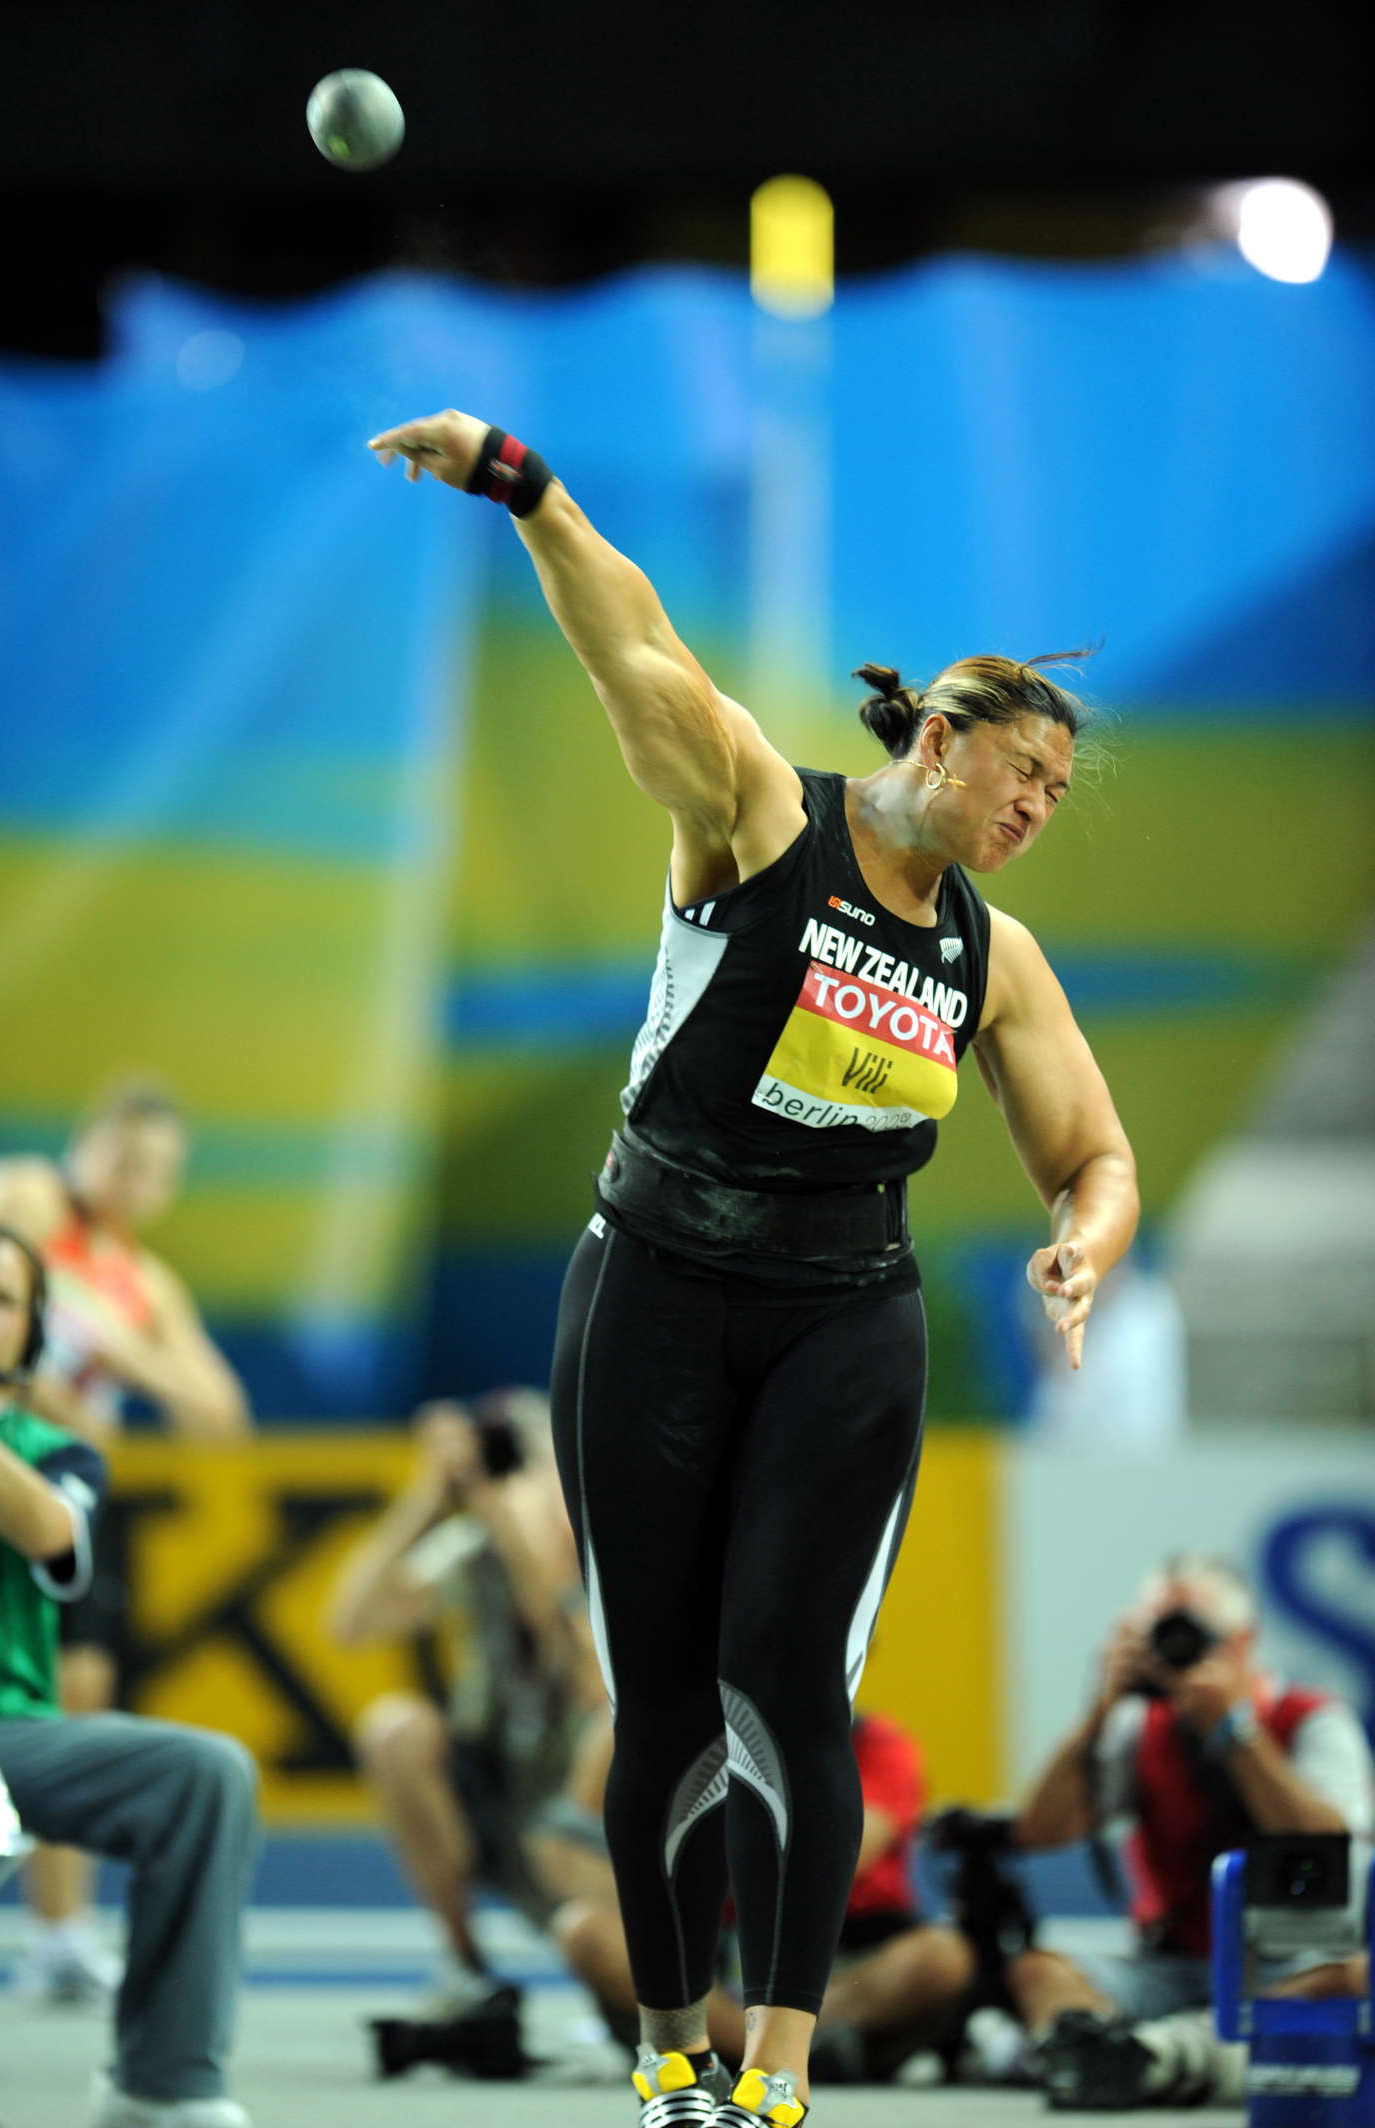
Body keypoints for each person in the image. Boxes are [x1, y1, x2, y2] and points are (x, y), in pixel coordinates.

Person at [368, 408, 1140, 2127]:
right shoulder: (755, 811)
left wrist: (1081, 1247)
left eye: (1057, 796)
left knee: (788, 1684)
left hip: (843, 1318)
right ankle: (672, 2052)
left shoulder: (993, 956)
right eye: (1022, 773)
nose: (1036, 809)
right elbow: (634, 643)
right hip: (651, 1283)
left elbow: (1093, 1154)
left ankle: (777, 2076)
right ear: (939, 736)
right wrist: (525, 487)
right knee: (663, 1700)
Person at [0, 1220, 258, 2128]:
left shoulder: (57, 1451)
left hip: (1, 1744)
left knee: (205, 1773)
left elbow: (48, 1533)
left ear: (32, 1329)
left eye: (3, 1299)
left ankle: (162, 2086)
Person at [1007, 1553, 1375, 2110]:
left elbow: (1326, 1844)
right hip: (1171, 1961)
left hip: (1291, 1960)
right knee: (1041, 1969)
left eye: (1192, 1634)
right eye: (1159, 1635)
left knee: (1348, 1980)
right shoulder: (1140, 1727)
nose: (1174, 1652)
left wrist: (1235, 1731)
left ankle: (1156, 2058)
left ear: (1244, 1642)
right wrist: (1099, 1713)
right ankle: (1106, 2053)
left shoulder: (1314, 1719)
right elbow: (1042, 1832)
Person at [327, 1390, 609, 2068]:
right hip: (504, 1799)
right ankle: (468, 1968)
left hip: (596, 1827)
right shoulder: (475, 1549)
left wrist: (525, 1542)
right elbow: (352, 1623)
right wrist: (426, 1500)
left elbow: (585, 1678)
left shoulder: (613, 1548)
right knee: (394, 1728)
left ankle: (635, 1987)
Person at [551, 1709, 978, 2082]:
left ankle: (771, 2048)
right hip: (709, 1952)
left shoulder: (876, 1743)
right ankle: (772, 2054)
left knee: (942, 1956)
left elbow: (842, 1855)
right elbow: (576, 1850)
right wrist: (627, 1716)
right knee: (584, 1929)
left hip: (844, 1951)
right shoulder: (684, 1733)